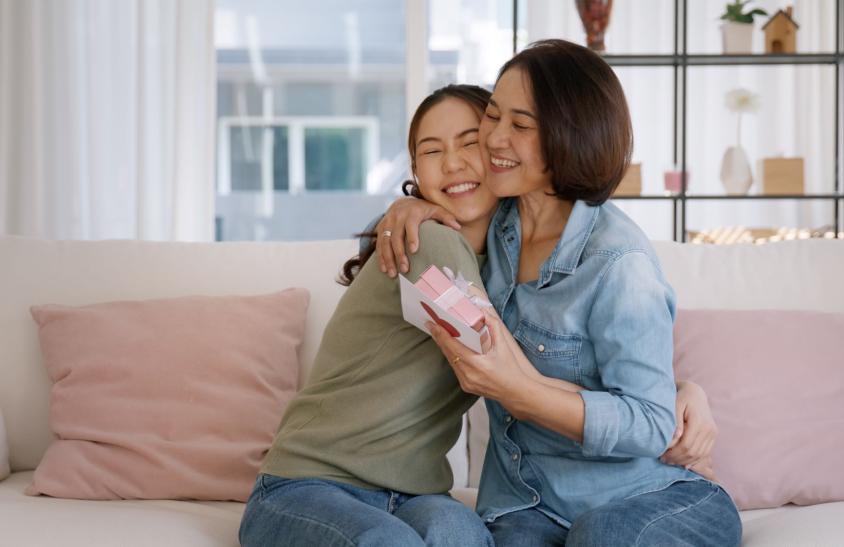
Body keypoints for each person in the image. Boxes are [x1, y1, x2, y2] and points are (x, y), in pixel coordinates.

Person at [371, 40, 742, 546]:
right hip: (525, 506)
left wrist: (520, 394)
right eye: (494, 115)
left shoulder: (617, 262)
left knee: (602, 536)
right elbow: (439, 193)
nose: (494, 139)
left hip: (647, 499)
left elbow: (652, 422)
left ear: (571, 138)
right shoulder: (491, 225)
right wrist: (406, 209)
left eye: (520, 126)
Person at [238, 84, 500, 547]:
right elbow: (494, 355)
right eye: (431, 150)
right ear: (416, 171)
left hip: (414, 495)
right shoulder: (430, 241)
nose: (453, 162)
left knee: (464, 536)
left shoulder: (500, 263)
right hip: (305, 487)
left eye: (469, 142)